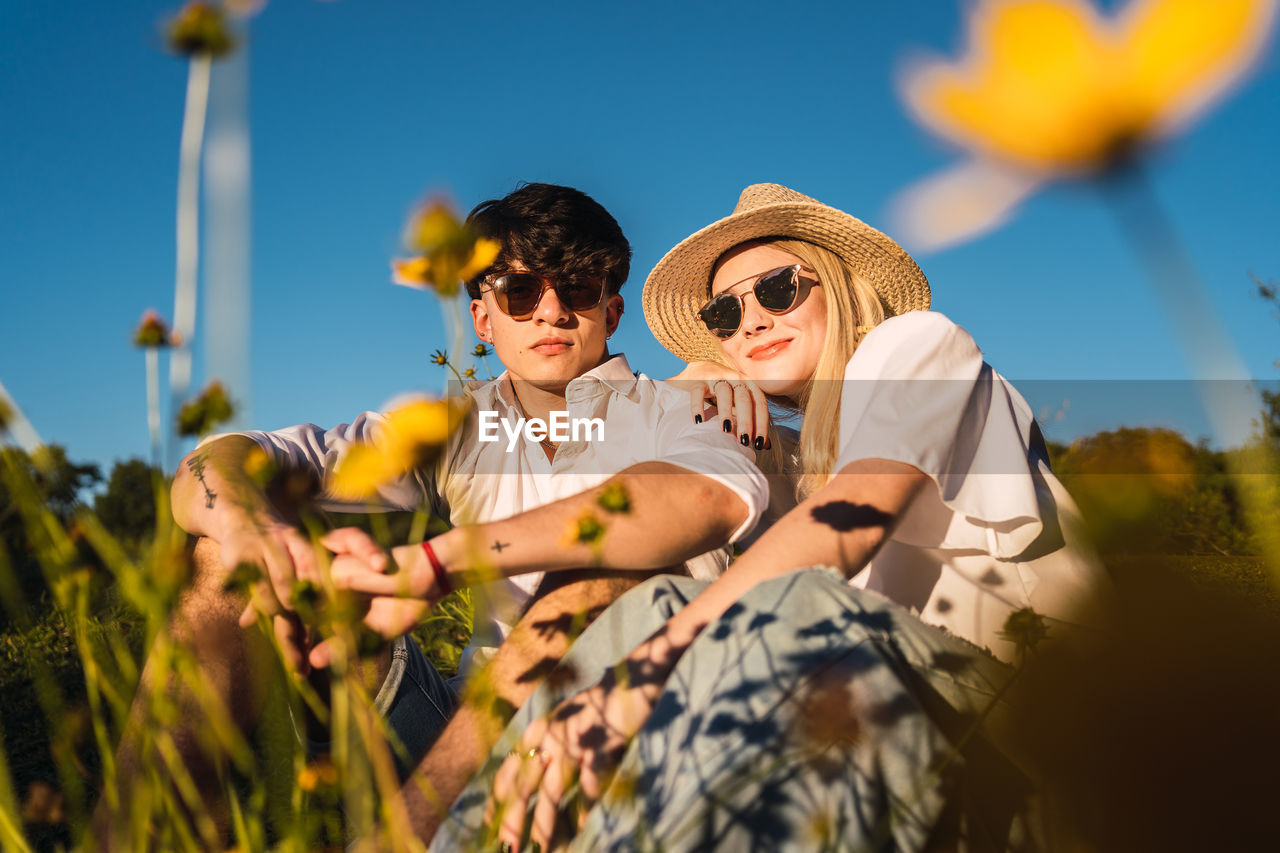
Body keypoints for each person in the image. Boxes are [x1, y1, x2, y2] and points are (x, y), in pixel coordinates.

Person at [90, 183, 768, 850]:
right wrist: (251, 528)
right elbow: (220, 460)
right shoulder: (452, 425)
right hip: (452, 723)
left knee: (597, 565)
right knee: (224, 558)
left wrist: (439, 561)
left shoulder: (697, 402)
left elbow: (707, 498)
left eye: (579, 289)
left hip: (624, 727)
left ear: (612, 310)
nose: (551, 312)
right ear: (482, 317)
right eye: (521, 292)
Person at [434, 183, 1109, 851]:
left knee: (676, 614)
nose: (750, 321)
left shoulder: (912, 347)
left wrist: (642, 677)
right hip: (907, 726)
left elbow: (848, 520)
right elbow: (671, 498)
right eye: (725, 313)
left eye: (778, 289)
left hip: (1032, 725)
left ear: (840, 289)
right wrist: (687, 380)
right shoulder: (793, 458)